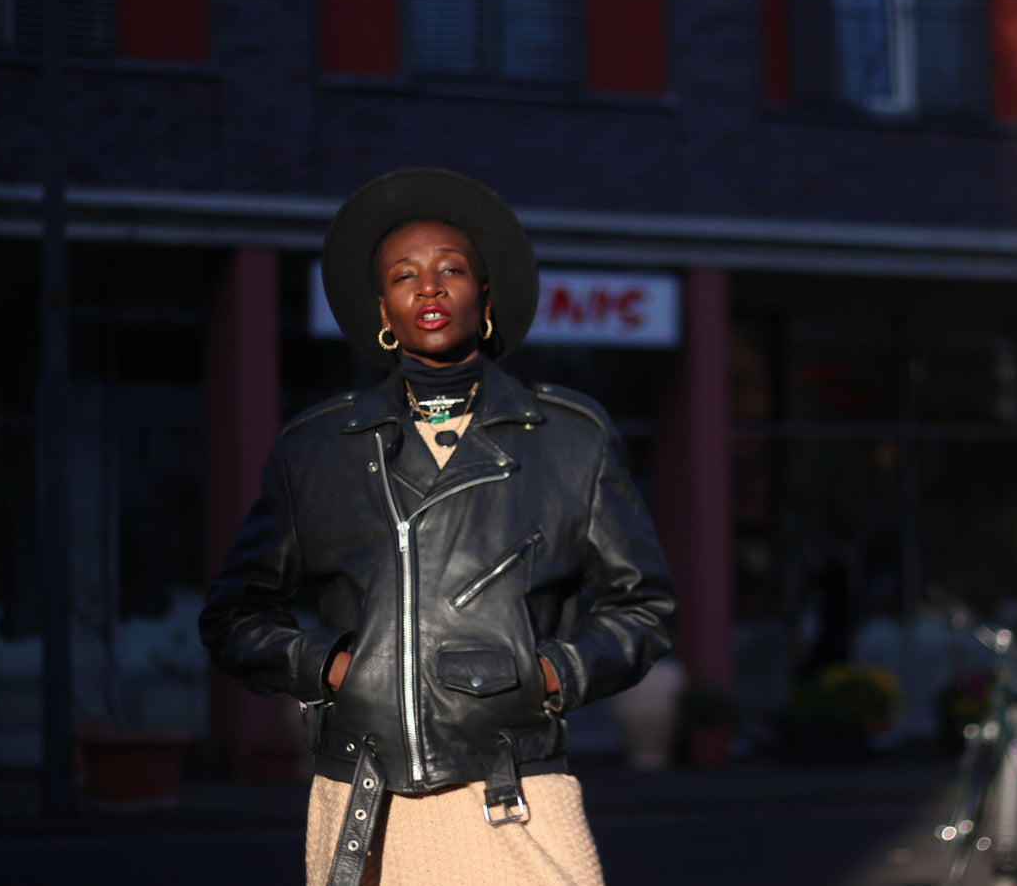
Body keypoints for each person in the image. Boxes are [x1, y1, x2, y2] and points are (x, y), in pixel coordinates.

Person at [198, 168, 677, 886]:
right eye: (404, 275)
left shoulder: (569, 437)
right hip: (365, 800)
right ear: (382, 310)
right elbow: (234, 616)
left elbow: (645, 607)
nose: (428, 286)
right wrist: (333, 667)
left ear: (483, 299)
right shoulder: (316, 448)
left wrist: (548, 673)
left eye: (451, 269)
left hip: (512, 786)